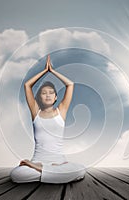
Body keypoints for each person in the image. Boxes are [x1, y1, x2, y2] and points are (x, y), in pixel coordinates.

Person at [10, 55, 86, 184]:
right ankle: (49, 172)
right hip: (37, 161)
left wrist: (53, 71)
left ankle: (42, 171)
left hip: (60, 162)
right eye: (44, 93)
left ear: (56, 97)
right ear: (39, 97)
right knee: (16, 175)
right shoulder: (36, 112)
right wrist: (44, 71)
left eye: (51, 92)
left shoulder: (61, 111)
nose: (48, 95)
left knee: (80, 170)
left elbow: (70, 84)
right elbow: (27, 85)